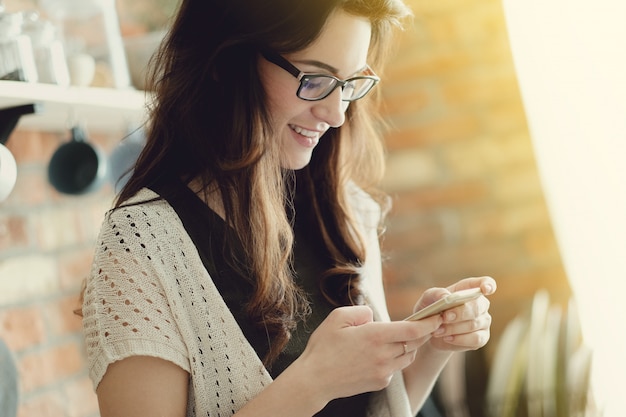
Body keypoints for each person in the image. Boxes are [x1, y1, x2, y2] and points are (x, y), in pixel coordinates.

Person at [80, 0, 497, 416]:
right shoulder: (139, 248)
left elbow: (376, 409)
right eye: (315, 79)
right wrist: (314, 382)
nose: (335, 114)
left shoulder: (344, 208)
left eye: (351, 83)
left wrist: (433, 347)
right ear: (227, 59)